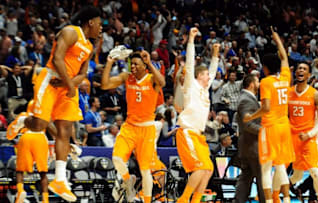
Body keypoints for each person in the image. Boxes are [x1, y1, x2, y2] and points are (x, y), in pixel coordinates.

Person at [6, 6, 102, 202]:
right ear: (91, 22)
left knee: (64, 130)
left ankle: (59, 179)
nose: (101, 29)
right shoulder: (70, 32)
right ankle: (24, 120)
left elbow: (83, 73)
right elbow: (57, 59)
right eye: (100, 24)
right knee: (40, 125)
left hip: (67, 86)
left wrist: (70, 83)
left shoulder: (90, 47)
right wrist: (69, 83)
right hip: (50, 80)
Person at [101, 49, 165, 203]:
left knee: (145, 170)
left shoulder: (151, 79)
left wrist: (149, 62)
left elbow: (162, 82)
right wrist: (109, 62)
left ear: (144, 66)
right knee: (117, 158)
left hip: (147, 128)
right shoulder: (127, 77)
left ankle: (147, 200)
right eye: (131, 64)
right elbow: (105, 85)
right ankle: (128, 182)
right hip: (129, 127)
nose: (133, 67)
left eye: (136, 64)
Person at [243, 27, 294, 203]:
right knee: (280, 166)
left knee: (265, 168)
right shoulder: (285, 78)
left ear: (264, 68)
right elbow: (285, 57)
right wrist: (277, 38)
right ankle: (286, 199)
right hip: (284, 126)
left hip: (270, 127)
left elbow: (265, 108)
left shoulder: (266, 82)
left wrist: (250, 117)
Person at [175, 27, 220, 203]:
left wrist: (215, 54)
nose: (210, 76)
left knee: (208, 169)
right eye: (206, 74)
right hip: (187, 132)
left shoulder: (204, 89)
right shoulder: (191, 85)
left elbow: (214, 70)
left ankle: (196, 200)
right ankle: (184, 200)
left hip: (199, 136)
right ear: (199, 75)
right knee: (200, 168)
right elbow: (190, 62)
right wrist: (192, 40)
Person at [287, 62, 318, 203]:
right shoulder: (288, 93)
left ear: (309, 74)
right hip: (292, 138)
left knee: (315, 172)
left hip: (308, 138)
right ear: (295, 72)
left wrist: (309, 134)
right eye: (299, 68)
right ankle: (282, 192)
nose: (301, 70)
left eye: (304, 69)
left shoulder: (315, 95)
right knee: (296, 176)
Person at [233, 74, 265, 203]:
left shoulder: (246, 98)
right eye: (257, 81)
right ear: (251, 84)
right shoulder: (246, 100)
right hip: (253, 146)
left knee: (246, 178)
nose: (260, 84)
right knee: (262, 178)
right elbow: (248, 124)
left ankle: (238, 201)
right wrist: (265, 131)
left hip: (247, 146)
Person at [14, 100, 49, 203]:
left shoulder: (23, 115)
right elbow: (52, 129)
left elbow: (14, 129)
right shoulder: (44, 116)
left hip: (26, 137)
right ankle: (45, 199)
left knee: (20, 170)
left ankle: (20, 190)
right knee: (43, 172)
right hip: (40, 138)